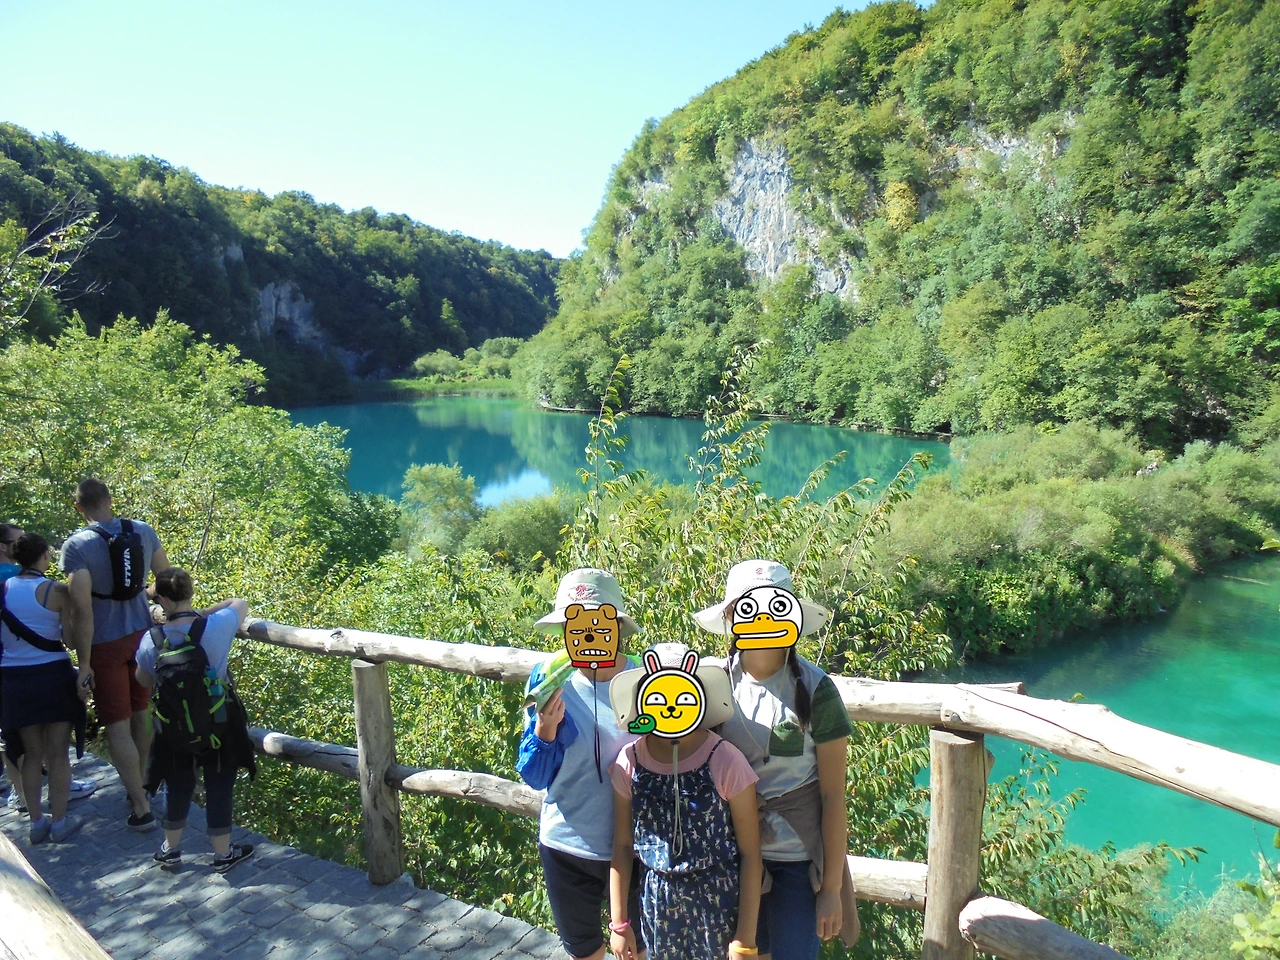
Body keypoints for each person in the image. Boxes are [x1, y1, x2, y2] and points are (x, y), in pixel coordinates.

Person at [694, 560, 858, 960]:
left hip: (796, 863)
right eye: (749, 610)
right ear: (733, 617)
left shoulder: (818, 690)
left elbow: (834, 796)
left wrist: (832, 889)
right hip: (731, 855)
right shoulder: (712, 685)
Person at [515, 569, 648, 960]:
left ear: (617, 625)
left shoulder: (646, 676)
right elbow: (535, 776)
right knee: (585, 953)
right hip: (566, 845)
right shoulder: (548, 677)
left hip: (640, 847)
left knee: (638, 953)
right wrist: (544, 728)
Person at [608, 642, 762, 960]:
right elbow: (623, 846)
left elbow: (750, 854)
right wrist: (619, 924)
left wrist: (745, 938)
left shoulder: (725, 761)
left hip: (718, 905)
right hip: (656, 906)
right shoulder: (630, 760)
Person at [61, 478, 167, 831]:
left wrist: (85, 662)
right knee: (142, 712)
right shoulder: (142, 530)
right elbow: (165, 579)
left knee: (118, 724)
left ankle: (140, 806)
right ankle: (141, 786)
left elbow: (81, 608)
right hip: (143, 638)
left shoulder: (77, 545)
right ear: (109, 499)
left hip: (105, 644)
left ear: (79, 508)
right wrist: (146, 594)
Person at [135, 567, 256, 872]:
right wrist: (204, 611)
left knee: (176, 782)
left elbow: (142, 680)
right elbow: (240, 603)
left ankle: (170, 848)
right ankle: (222, 853)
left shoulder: (152, 639)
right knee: (219, 779)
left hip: (172, 726)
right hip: (218, 719)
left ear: (161, 598)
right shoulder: (216, 626)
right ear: (190, 592)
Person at [0, 533, 91, 842]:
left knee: (31, 752)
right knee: (58, 754)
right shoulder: (56, 591)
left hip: (14, 679)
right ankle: (61, 822)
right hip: (53, 675)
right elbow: (68, 639)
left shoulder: (2, 590)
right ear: (44, 557)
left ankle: (36, 823)